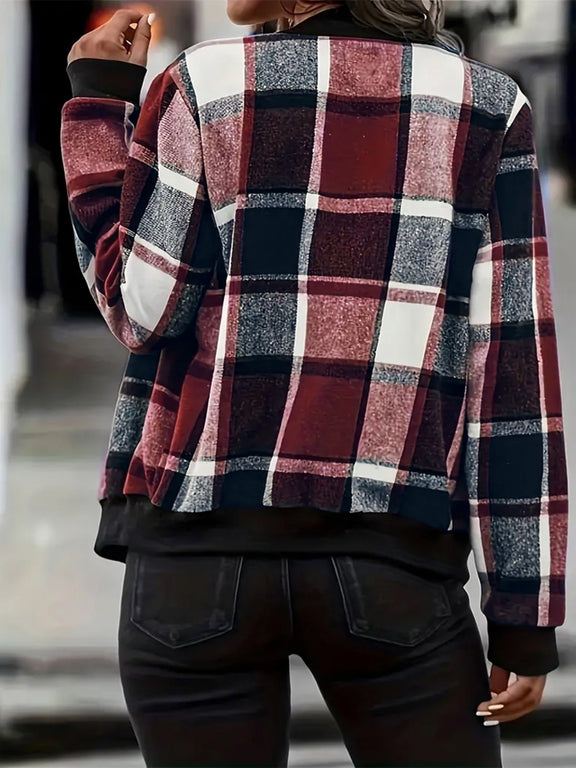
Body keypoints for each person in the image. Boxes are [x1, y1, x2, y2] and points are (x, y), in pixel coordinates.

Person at [60, 1, 568, 766]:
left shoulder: (205, 84)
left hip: (199, 551)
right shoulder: (488, 106)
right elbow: (511, 372)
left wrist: (98, 107)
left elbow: (142, 308)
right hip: (391, 556)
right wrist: (524, 611)